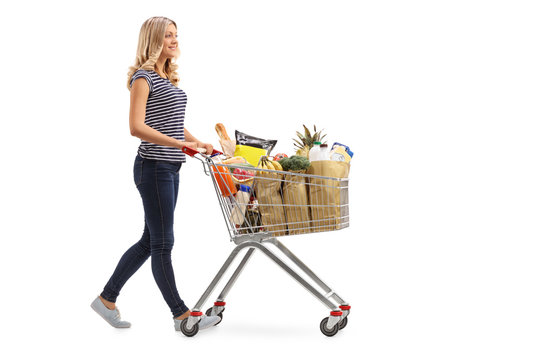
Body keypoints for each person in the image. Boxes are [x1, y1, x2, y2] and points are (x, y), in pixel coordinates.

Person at [91, 16, 220, 332]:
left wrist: (195, 141)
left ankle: (106, 299)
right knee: (163, 242)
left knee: (150, 240)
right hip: (153, 168)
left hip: (171, 167)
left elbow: (172, 120)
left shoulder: (167, 77)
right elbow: (136, 127)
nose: (174, 41)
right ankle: (181, 315)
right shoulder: (142, 78)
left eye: (176, 35)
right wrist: (180, 144)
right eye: (167, 36)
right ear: (153, 40)